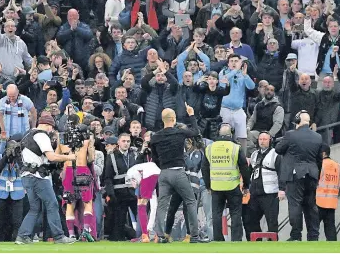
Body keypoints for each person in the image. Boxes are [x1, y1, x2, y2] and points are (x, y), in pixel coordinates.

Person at [15, 115, 77, 245]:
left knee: (34, 208)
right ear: (49, 125)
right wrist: (70, 157)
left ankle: (23, 236)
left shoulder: (28, 134)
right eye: (51, 128)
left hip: (27, 175)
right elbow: (51, 156)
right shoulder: (42, 135)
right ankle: (59, 236)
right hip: (37, 176)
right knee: (52, 204)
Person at [150, 104, 206, 243]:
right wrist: (191, 114)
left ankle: (161, 236)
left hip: (163, 174)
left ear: (163, 120)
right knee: (191, 201)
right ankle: (194, 235)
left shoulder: (155, 137)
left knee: (162, 205)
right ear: (174, 119)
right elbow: (195, 132)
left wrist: (163, 166)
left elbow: (154, 157)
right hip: (178, 172)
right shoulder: (179, 132)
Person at [275, 110, 323, 241]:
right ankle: (313, 235)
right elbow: (319, 159)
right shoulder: (318, 137)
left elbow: (278, 149)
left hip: (296, 174)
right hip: (312, 174)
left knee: (295, 204)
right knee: (311, 206)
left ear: (297, 121)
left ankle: (296, 235)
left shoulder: (291, 135)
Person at [201, 123, 250, 242]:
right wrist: (246, 186)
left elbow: (204, 168)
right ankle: (236, 239)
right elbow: (244, 167)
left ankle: (218, 239)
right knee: (235, 213)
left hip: (216, 187)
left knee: (216, 214)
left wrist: (208, 185)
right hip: (232, 186)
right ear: (231, 134)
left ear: (218, 133)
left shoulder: (210, 148)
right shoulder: (235, 147)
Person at [248, 131, 284, 239]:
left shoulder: (275, 154)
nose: (262, 142)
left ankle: (273, 245)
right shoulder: (254, 154)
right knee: (251, 221)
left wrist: (282, 189)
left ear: (270, 141)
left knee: (272, 222)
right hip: (255, 193)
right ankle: (257, 243)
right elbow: (250, 172)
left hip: (270, 194)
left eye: (264, 139)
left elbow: (281, 172)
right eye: (260, 139)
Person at [104, 134, 137, 241]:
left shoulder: (135, 155)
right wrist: (110, 194)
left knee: (140, 216)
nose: (126, 143)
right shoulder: (111, 156)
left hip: (134, 192)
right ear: (118, 143)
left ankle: (142, 236)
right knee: (119, 220)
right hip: (119, 193)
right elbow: (108, 178)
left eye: (128, 141)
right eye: (124, 141)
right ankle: (119, 239)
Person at [316, 143, 340, 241]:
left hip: (318, 201)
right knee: (331, 228)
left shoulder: (320, 164)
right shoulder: (338, 166)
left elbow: (315, 182)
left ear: (323, 154)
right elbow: (338, 185)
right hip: (331, 202)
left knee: (314, 230)